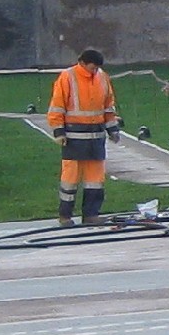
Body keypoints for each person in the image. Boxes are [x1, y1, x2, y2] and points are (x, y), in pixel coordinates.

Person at [48, 47, 121, 223]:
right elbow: (57, 106)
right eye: (92, 68)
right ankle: (65, 216)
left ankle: (91, 214)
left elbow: (108, 107)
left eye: (97, 68)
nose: (94, 71)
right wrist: (59, 131)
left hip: (96, 138)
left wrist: (113, 129)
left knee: (95, 180)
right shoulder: (68, 77)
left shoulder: (102, 78)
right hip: (74, 137)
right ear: (81, 63)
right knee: (70, 179)